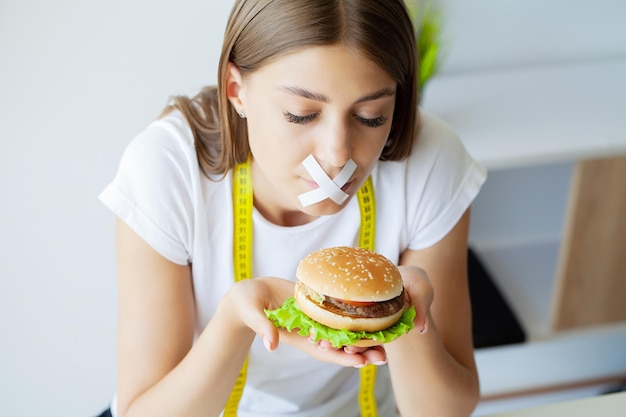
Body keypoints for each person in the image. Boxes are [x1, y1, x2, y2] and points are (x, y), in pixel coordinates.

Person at [98, 0, 487, 416]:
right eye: (301, 115)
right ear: (236, 90)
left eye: (372, 117)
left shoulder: (431, 160)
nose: (338, 154)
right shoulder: (167, 170)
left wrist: (401, 317)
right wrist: (234, 319)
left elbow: (446, 411)